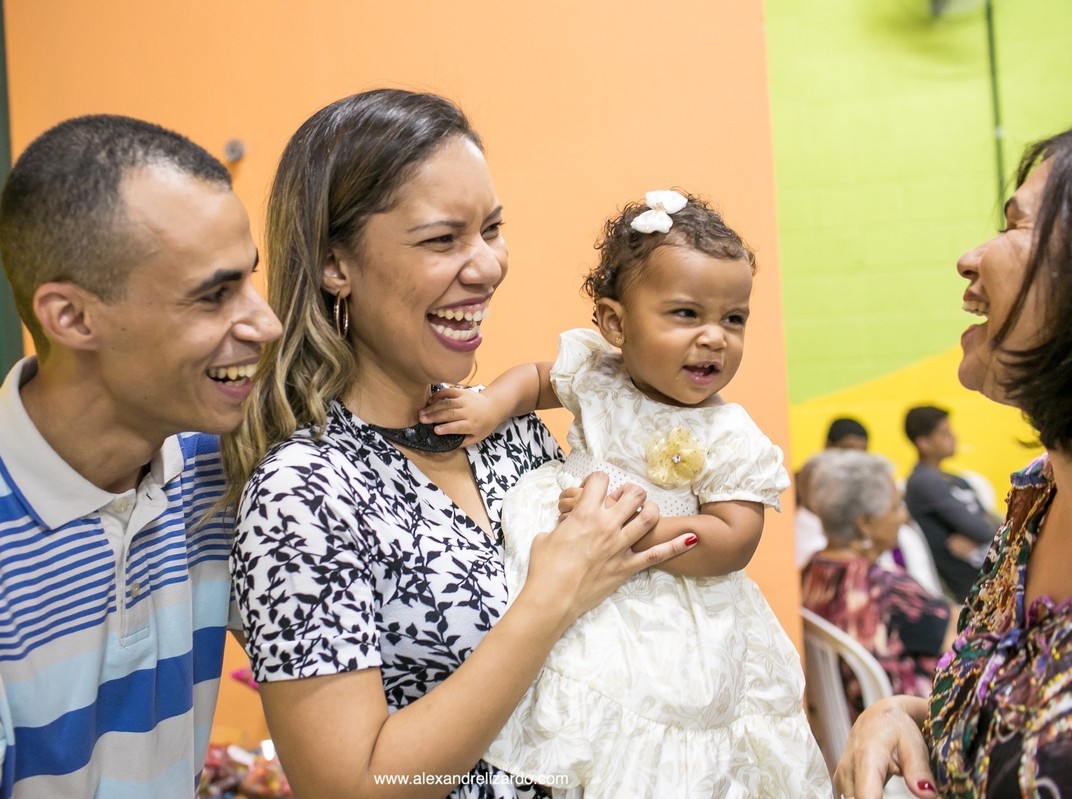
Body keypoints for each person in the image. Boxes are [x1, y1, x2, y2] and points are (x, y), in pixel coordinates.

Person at [221, 90, 698, 799]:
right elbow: (356, 785)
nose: (486, 266)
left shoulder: (505, 432)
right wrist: (552, 596)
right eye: (442, 239)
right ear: (334, 264)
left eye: (492, 229)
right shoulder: (305, 491)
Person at [0, 115, 282, 798]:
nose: (262, 323)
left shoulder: (221, 465)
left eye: (249, 280)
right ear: (71, 317)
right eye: (214, 295)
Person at [422, 189, 830, 797]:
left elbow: (734, 539)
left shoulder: (729, 433)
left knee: (660, 729)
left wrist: (638, 527)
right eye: (687, 314)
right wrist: (489, 406)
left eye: (734, 318)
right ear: (616, 323)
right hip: (574, 581)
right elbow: (536, 380)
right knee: (573, 698)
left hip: (672, 608)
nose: (715, 337)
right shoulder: (597, 372)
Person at [834, 127, 1072, 798]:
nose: (971, 257)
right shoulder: (1032, 500)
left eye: (1015, 225)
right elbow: (1003, 719)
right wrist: (897, 712)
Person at [800, 449, 953, 720]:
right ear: (865, 525)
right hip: (901, 731)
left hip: (846, 728)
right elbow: (963, 634)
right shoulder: (886, 589)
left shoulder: (811, 571)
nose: (903, 516)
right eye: (895, 506)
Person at [902, 404, 1000, 602]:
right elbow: (983, 530)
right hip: (974, 587)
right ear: (924, 443)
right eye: (944, 433)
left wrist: (980, 538)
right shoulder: (922, 482)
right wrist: (986, 529)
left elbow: (996, 526)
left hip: (993, 568)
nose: (954, 436)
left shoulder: (957, 480)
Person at [796, 416, 871, 567]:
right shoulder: (802, 484)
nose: (853, 462)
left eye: (861, 454)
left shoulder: (864, 490)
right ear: (828, 446)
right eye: (847, 450)